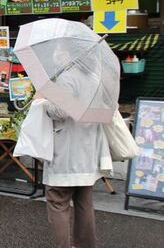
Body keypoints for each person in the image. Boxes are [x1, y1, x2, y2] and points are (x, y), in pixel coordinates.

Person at [38, 50, 112, 248]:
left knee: (57, 202)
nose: (57, 55)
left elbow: (60, 110)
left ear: (70, 55)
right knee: (84, 204)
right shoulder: (95, 78)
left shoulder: (67, 77)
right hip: (88, 152)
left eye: (61, 51)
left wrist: (43, 101)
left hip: (66, 154)